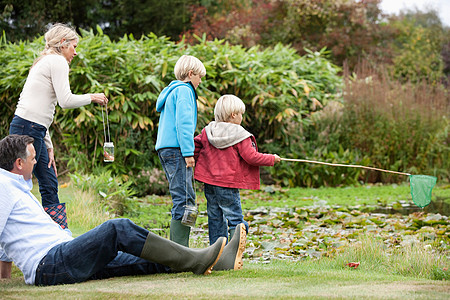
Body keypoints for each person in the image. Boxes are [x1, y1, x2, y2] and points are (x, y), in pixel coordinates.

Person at [0, 134, 247, 285]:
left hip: (61, 257)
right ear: (19, 163)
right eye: (33, 158)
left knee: (143, 259)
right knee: (116, 229)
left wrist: (5, 275)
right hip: (51, 263)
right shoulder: (3, 186)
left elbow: (5, 240)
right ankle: (198, 259)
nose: (36, 161)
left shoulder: (15, 187)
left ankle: (217, 261)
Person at [8, 23, 109, 227]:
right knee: (20, 186)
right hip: (28, 129)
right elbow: (65, 101)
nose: (75, 52)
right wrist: (93, 97)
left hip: (30, 128)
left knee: (48, 182)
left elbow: (40, 109)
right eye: (74, 46)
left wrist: (49, 145)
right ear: (63, 44)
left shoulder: (45, 61)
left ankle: (56, 235)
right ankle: (46, 234)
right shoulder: (57, 62)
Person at [194, 95, 281, 263]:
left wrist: (199, 163)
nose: (242, 117)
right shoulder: (239, 134)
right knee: (235, 218)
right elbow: (251, 157)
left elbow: (195, 146)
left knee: (215, 216)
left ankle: (216, 254)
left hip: (210, 183)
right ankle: (233, 255)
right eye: (241, 114)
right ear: (233, 115)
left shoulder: (208, 131)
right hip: (227, 183)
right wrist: (272, 159)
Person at [155, 55, 206, 247]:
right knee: (185, 199)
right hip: (177, 149)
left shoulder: (172, 91)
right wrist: (188, 152)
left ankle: (180, 248)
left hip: (167, 148)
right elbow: (183, 124)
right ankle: (179, 251)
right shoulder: (185, 91)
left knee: (183, 196)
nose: (200, 81)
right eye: (199, 77)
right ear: (191, 74)